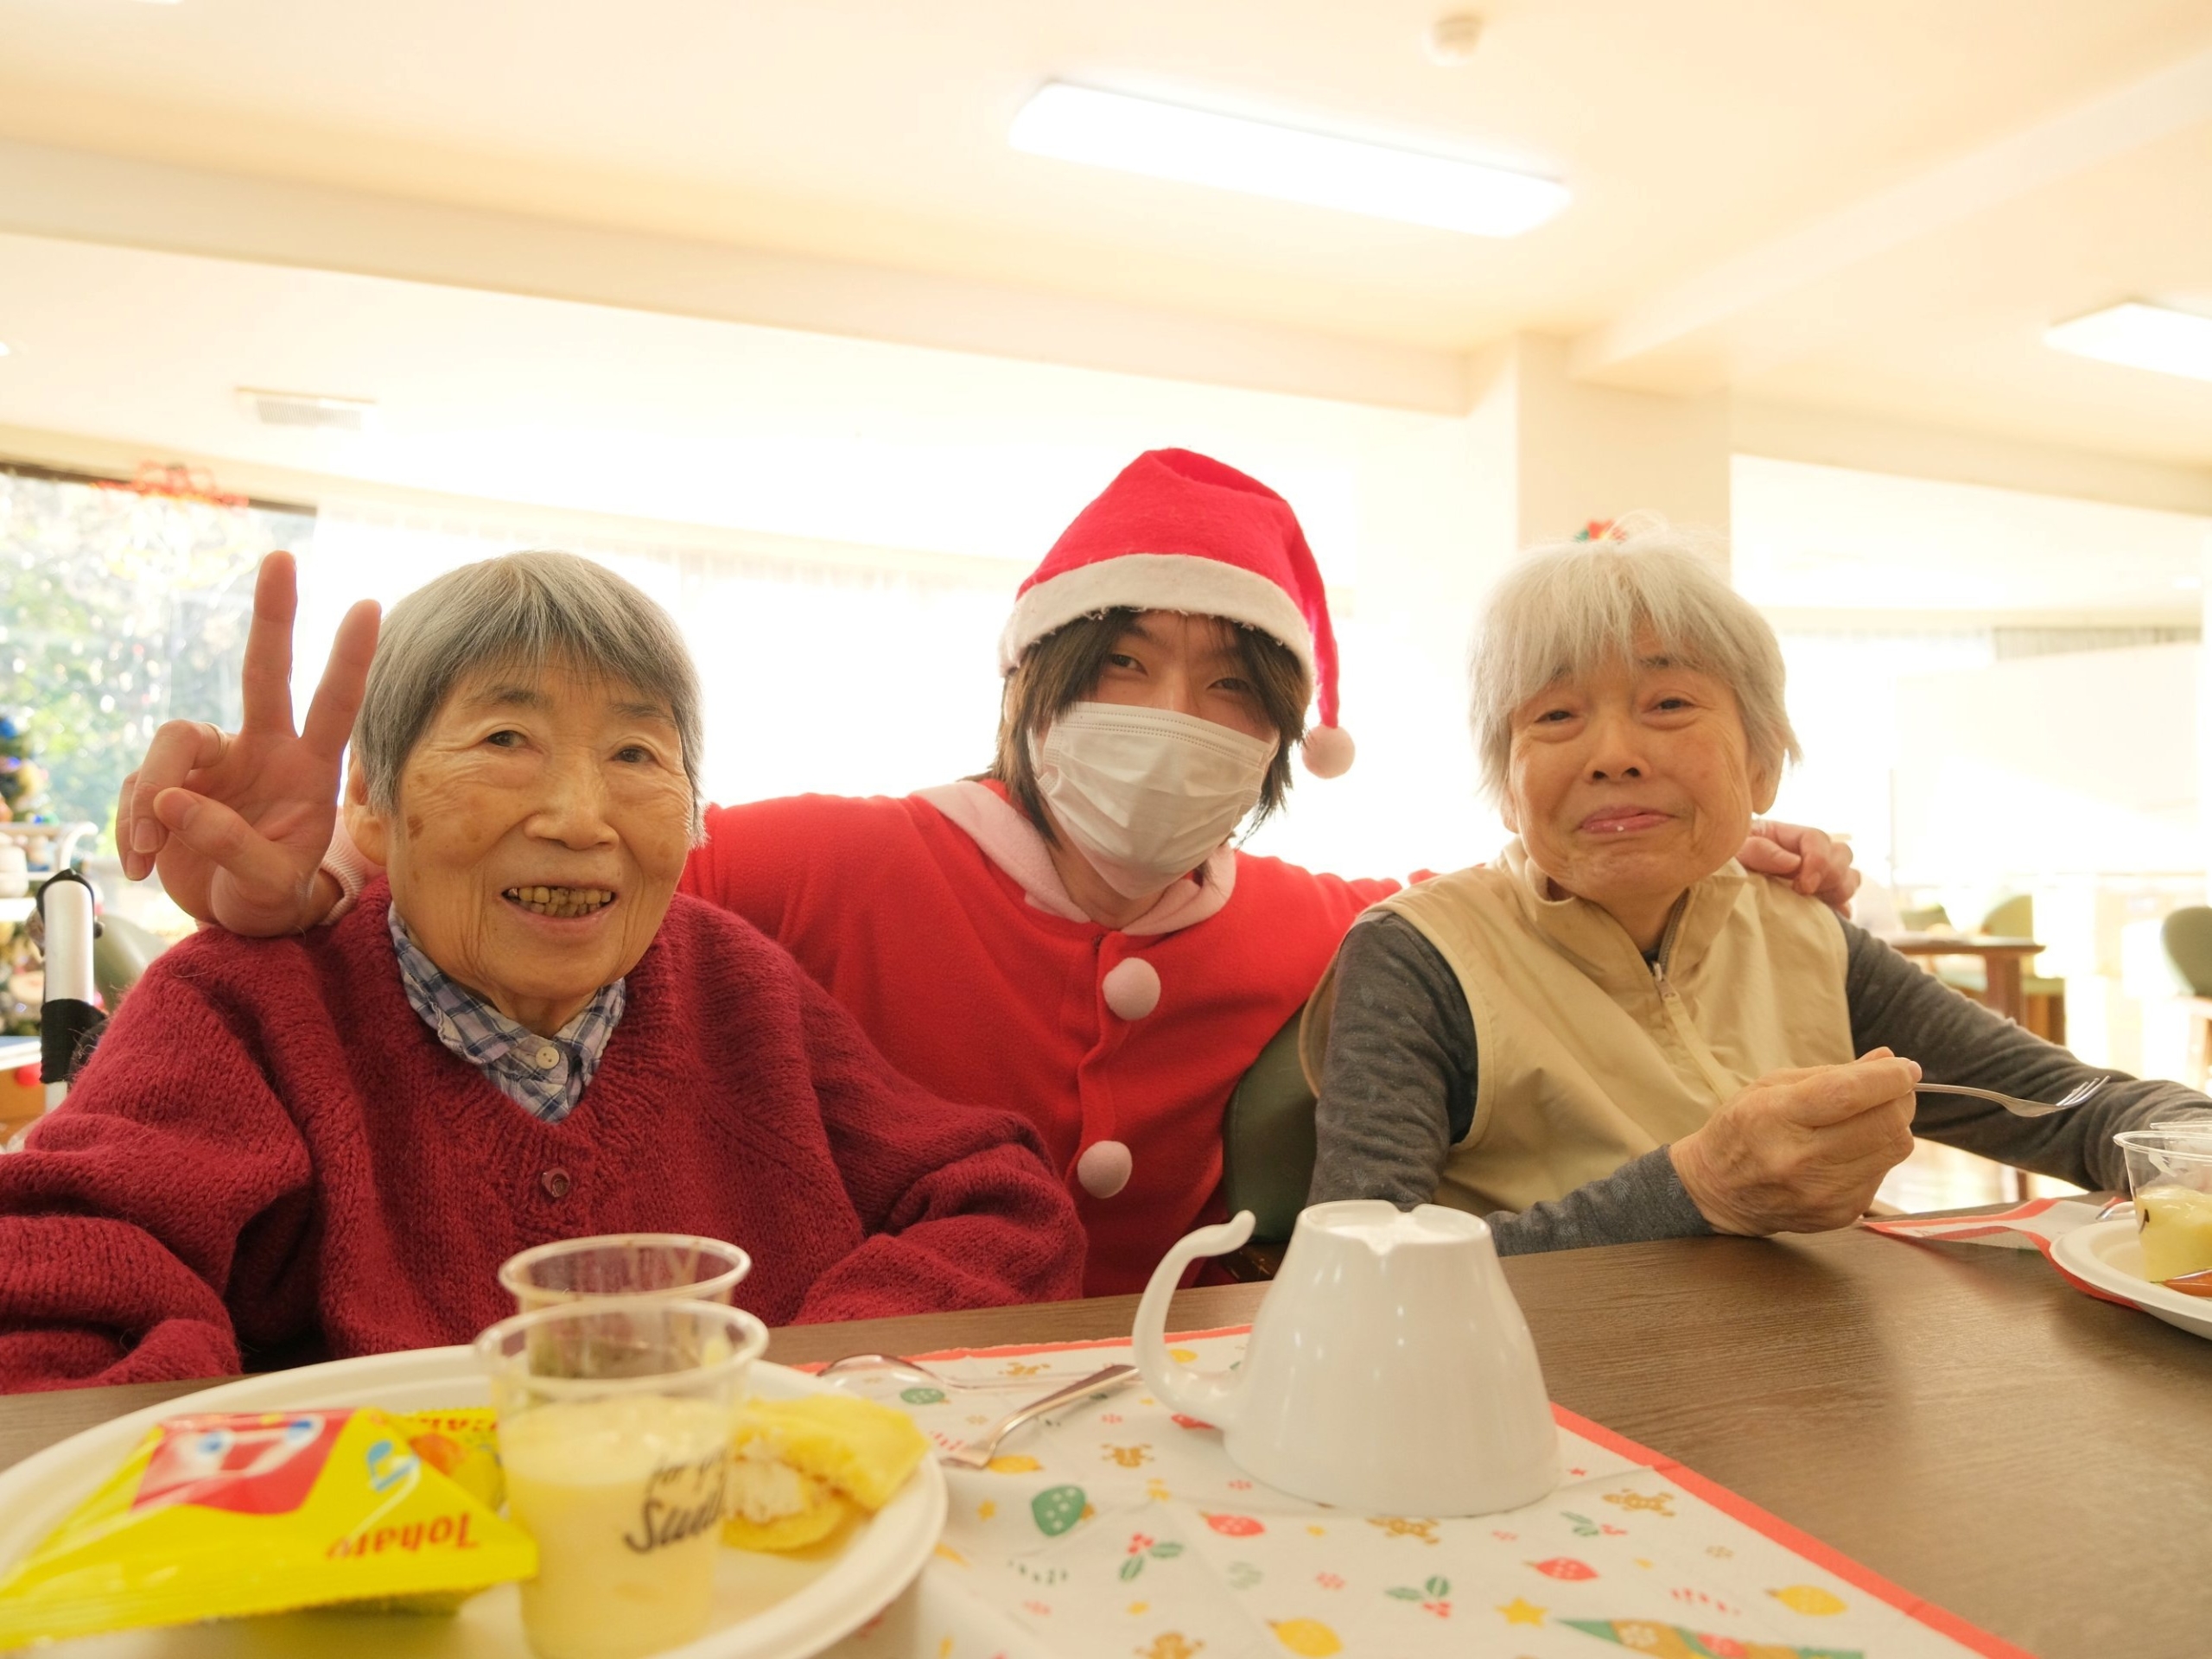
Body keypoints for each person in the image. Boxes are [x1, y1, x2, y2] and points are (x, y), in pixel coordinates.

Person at [116, 453, 1859, 1293]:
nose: (1170, 722)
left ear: (1281, 746)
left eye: (1230, 687)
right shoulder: (819, 861)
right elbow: (563, 891)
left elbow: (1518, 894)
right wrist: (341, 859)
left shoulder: (1328, 930)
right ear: (1026, 683)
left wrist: (1707, 845)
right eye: (1118, 667)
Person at [0, 553, 1082, 1393]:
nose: (578, 819)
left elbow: (999, 1210)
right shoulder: (249, 1006)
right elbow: (57, 1299)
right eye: (507, 737)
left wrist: (798, 1388)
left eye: (635, 756)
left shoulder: (734, 985)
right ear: (372, 805)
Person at [1303, 521, 2209, 1245]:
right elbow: (1359, 1264)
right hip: (1540, 1413)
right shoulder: (1418, 956)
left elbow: (2077, 1110)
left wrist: (2191, 1148)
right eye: (1555, 714)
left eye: (1667, 704)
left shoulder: (1805, 935)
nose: (1613, 755)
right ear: (1507, 783)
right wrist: (1693, 1191)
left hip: (1819, 1396)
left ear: (1763, 766)